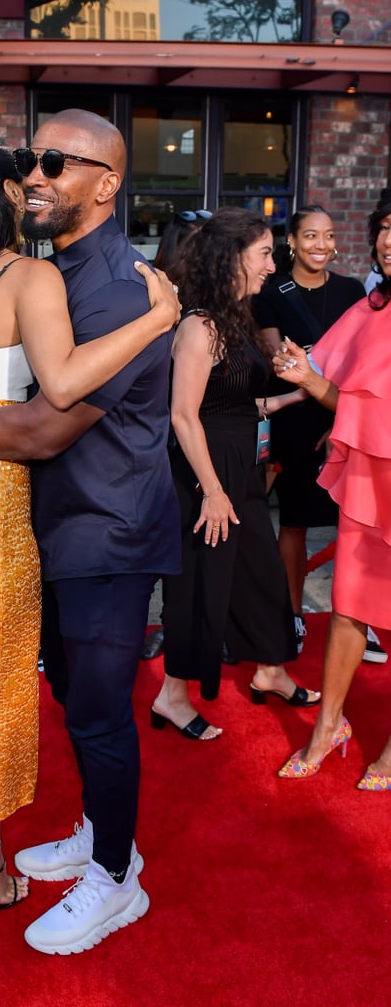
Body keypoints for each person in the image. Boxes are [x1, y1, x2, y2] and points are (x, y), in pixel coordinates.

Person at [0, 108, 182, 952]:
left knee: (98, 713)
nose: (35, 176)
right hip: (43, 529)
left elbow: (42, 428)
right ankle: (98, 836)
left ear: (107, 182)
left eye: (56, 163)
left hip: (106, 533)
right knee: (71, 700)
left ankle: (115, 877)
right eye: (32, 160)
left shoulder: (124, 289)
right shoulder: (48, 271)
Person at [150, 207, 320, 740]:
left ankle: (270, 669)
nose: (275, 263)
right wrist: (214, 492)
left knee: (263, 576)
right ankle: (172, 697)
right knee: (200, 586)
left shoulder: (236, 318)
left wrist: (297, 390)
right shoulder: (199, 326)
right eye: (266, 252)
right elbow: (183, 415)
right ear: (232, 257)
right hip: (207, 476)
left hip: (240, 467)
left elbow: (238, 406)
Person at [276, 192, 391, 787]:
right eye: (386, 229)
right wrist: (305, 376)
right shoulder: (369, 310)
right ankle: (328, 726)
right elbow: (343, 393)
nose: (390, 242)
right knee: (347, 605)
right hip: (372, 484)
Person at [253, 206, 365, 656]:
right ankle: (293, 614)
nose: (321, 244)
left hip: (346, 415)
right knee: (296, 520)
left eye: (329, 236)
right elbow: (277, 356)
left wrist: (343, 418)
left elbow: (366, 361)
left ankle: (358, 614)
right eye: (311, 236)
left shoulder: (353, 291)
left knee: (355, 525)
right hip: (296, 418)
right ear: (293, 243)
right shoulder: (271, 290)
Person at [141, 207, 213, 661]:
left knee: (192, 540)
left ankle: (182, 625)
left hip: (202, 427)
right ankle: (159, 624)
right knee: (164, 538)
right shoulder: (156, 291)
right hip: (162, 432)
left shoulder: (220, 299)